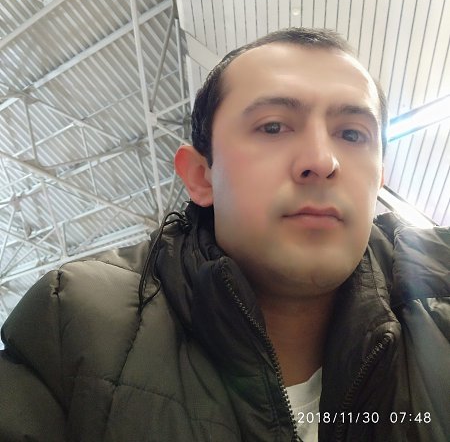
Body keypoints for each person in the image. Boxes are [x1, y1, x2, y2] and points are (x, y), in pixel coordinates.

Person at [0, 28, 449, 442]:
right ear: (201, 176)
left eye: (352, 134)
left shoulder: (440, 302)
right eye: (273, 127)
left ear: (378, 179)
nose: (321, 160)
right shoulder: (75, 326)